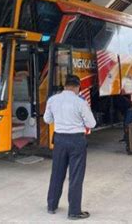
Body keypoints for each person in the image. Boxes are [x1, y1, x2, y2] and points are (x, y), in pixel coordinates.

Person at [43, 75, 96, 220]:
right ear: (77, 87)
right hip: (76, 141)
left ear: (65, 85)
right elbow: (91, 124)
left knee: (57, 173)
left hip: (59, 139)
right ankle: (74, 212)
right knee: (76, 176)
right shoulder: (80, 102)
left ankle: (51, 206)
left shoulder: (52, 100)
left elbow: (47, 119)